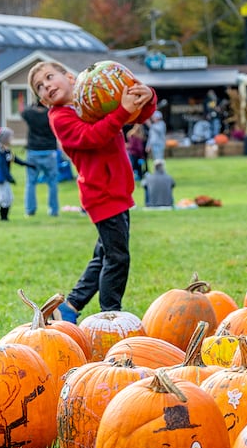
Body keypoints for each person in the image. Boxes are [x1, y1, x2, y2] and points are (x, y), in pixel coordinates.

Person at [29, 59, 156, 321]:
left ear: (70, 77)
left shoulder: (91, 100)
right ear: (43, 102)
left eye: (50, 77)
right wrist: (121, 112)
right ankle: (111, 316)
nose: (46, 86)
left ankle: (69, 307)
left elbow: (133, 114)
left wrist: (148, 97)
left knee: (105, 254)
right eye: (40, 87)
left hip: (117, 190)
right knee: (117, 258)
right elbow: (92, 136)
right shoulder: (60, 117)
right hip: (101, 194)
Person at [21, 100, 61, 218]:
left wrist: (32, 104)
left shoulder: (30, 114)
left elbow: (23, 112)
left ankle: (30, 210)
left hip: (33, 151)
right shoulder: (51, 113)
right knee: (52, 182)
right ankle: (54, 210)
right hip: (49, 151)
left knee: (31, 182)